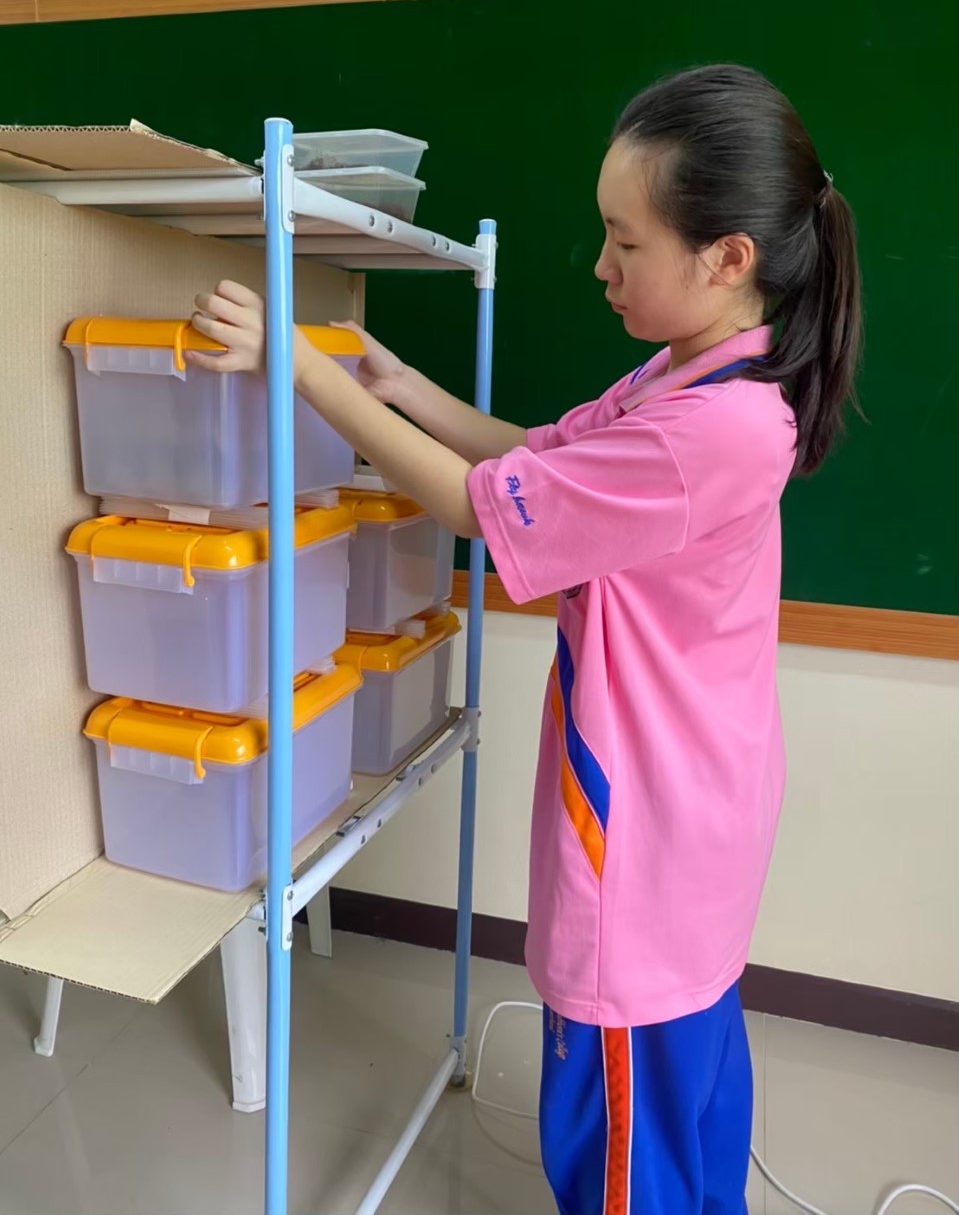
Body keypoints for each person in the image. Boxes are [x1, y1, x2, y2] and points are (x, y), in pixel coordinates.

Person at [187, 63, 861, 1215]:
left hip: (646, 835)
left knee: (620, 1134)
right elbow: (531, 456)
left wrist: (295, 368)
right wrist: (398, 382)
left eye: (623, 240)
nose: (598, 265)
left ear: (726, 256)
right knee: (689, 1086)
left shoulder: (708, 431)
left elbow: (474, 506)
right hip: (696, 812)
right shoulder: (705, 374)